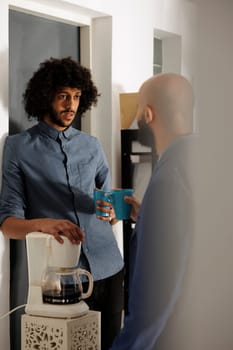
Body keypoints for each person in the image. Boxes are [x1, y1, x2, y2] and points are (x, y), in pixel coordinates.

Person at [0, 57, 124, 350]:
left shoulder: (92, 145)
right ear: (46, 97)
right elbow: (8, 224)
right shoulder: (19, 148)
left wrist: (115, 211)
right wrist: (44, 223)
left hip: (110, 265)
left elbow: (110, 208)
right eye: (63, 96)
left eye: (78, 97)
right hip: (64, 276)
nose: (71, 105)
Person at [110, 73, 196, 349]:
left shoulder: (168, 180)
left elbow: (152, 304)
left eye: (137, 110)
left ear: (148, 114)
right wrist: (148, 216)